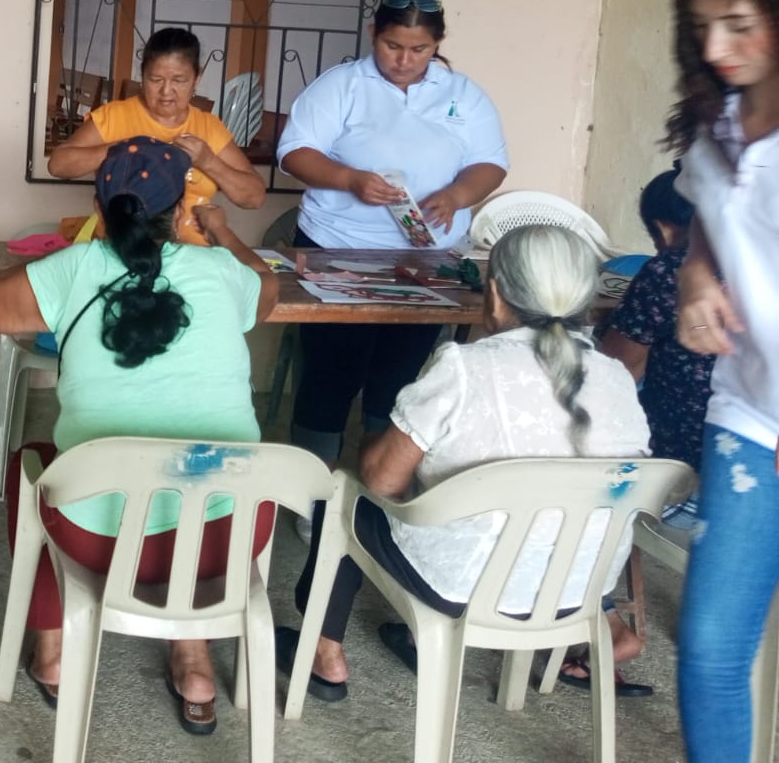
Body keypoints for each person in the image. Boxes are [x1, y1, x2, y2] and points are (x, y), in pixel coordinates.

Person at [0, 136, 279, 736]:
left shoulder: (77, 267)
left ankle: (54, 654)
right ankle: (194, 663)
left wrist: (69, 262)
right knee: (197, 480)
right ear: (182, 209)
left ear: (99, 204)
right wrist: (224, 235)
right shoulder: (222, 272)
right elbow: (266, 292)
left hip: (101, 542)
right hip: (229, 537)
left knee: (32, 464)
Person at [278, 224, 650, 701]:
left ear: (494, 295)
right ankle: (417, 638)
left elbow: (382, 480)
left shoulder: (465, 367)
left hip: (465, 589)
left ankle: (324, 656)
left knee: (344, 494)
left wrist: (373, 446)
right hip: (580, 592)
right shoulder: (617, 377)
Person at [276, 0, 509, 468]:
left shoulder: (464, 94)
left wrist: (457, 194)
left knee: (400, 377)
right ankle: (312, 486)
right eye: (392, 46)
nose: (404, 60)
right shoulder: (342, 85)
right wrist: (349, 179)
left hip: (426, 262)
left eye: (419, 49)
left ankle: (373, 482)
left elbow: (490, 163)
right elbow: (294, 152)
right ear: (373, 34)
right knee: (331, 372)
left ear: (438, 43)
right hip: (338, 251)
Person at [663, 0, 779, 763]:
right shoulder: (722, 122)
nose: (716, 48)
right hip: (749, 418)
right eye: (703, 25)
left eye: (738, 25)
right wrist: (696, 281)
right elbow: (708, 219)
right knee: (707, 651)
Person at [46, 26, 267, 243]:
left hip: (193, 257)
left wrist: (208, 161)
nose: (166, 91)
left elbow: (254, 197)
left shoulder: (209, 127)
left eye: (179, 80)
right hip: (123, 253)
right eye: (156, 79)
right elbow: (58, 164)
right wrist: (129, 147)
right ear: (142, 76)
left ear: (197, 79)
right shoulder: (116, 116)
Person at [599, 167, 716, 487]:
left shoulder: (666, 273)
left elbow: (615, 371)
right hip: (753, 452)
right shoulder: (761, 265)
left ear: (663, 230)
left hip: (676, 461)